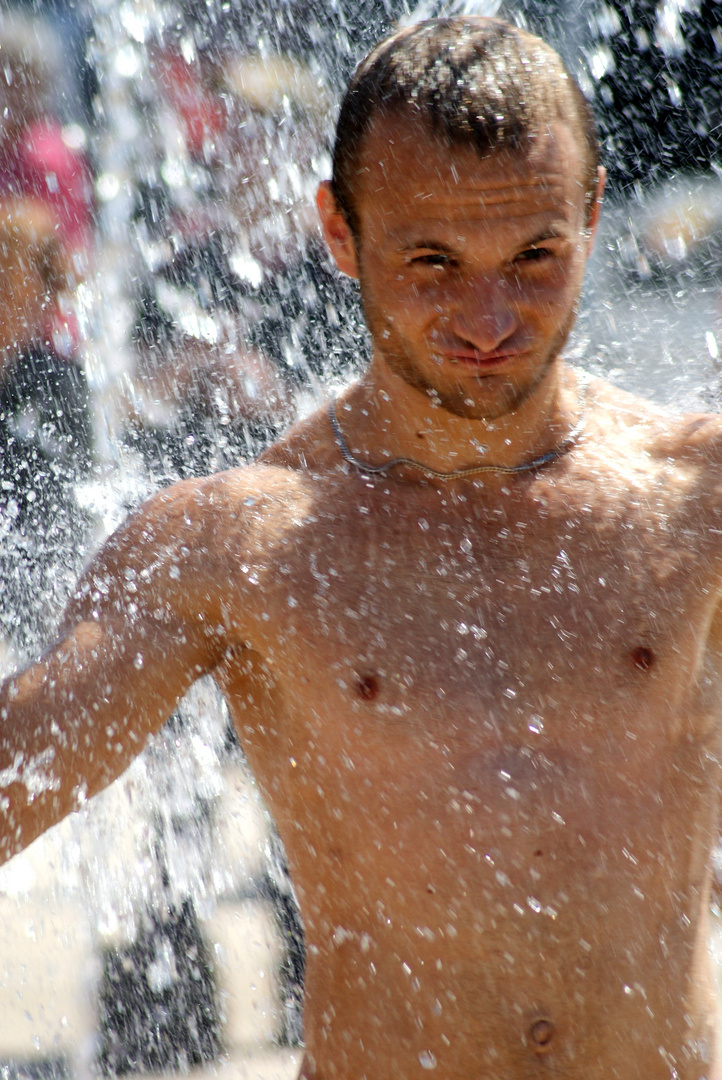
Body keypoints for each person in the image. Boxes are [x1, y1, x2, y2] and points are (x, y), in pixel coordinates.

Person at [1, 14, 721, 1079]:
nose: (487, 318)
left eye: (532, 257)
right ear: (338, 232)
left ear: (591, 212)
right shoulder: (239, 543)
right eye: (431, 261)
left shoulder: (690, 496)